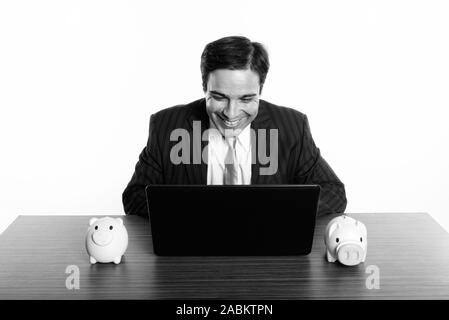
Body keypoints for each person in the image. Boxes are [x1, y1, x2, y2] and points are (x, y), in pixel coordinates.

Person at [123, 36, 347, 217]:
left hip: (267, 253)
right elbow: (134, 197)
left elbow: (334, 193)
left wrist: (276, 212)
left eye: (246, 99)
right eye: (219, 97)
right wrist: (197, 213)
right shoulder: (167, 126)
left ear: (261, 90)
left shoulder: (291, 126)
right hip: (191, 253)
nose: (231, 113)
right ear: (204, 88)